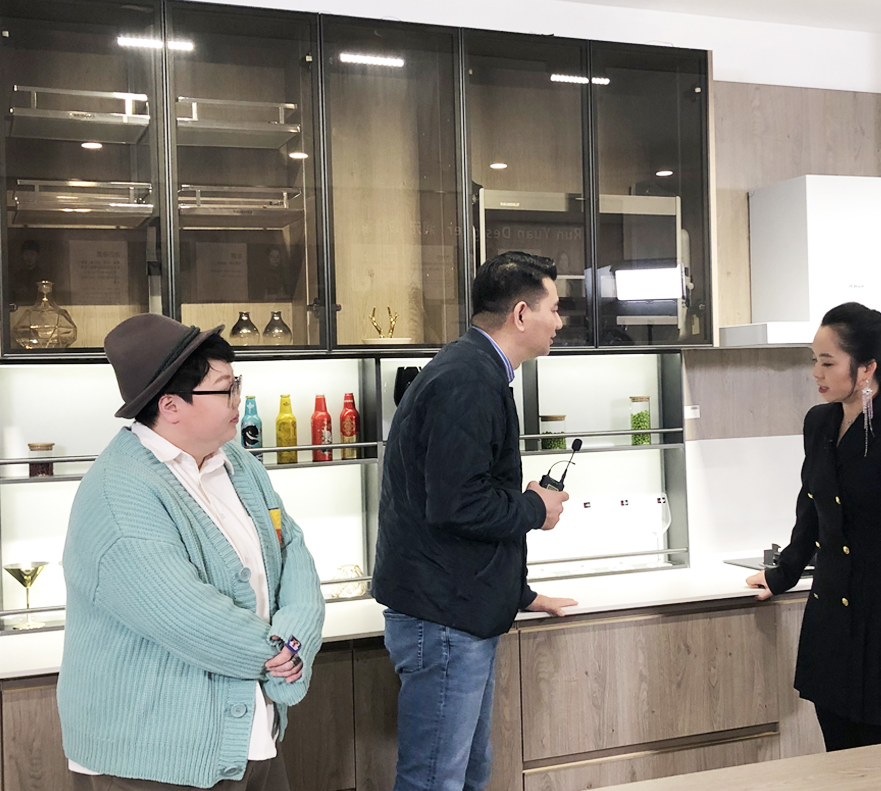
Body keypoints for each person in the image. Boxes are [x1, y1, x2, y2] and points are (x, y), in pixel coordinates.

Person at [58, 314, 326, 790]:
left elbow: (292, 551)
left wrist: (296, 638)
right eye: (224, 389)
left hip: (252, 736)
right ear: (171, 406)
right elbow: (184, 616)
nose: (238, 400)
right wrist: (280, 655)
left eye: (236, 383)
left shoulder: (237, 462)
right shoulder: (119, 491)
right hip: (154, 755)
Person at [372, 250, 578, 791]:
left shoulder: (474, 370)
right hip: (444, 618)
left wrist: (520, 593)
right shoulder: (467, 381)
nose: (559, 322)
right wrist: (535, 508)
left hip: (456, 610)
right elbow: (458, 505)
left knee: (466, 774)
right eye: (554, 309)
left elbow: (458, 498)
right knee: (434, 780)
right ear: (521, 314)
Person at [746, 302, 881, 751]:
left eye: (827, 362)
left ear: (867, 367)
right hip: (832, 625)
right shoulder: (820, 422)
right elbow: (811, 508)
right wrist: (782, 573)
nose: (815, 372)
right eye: (814, 360)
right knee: (837, 761)